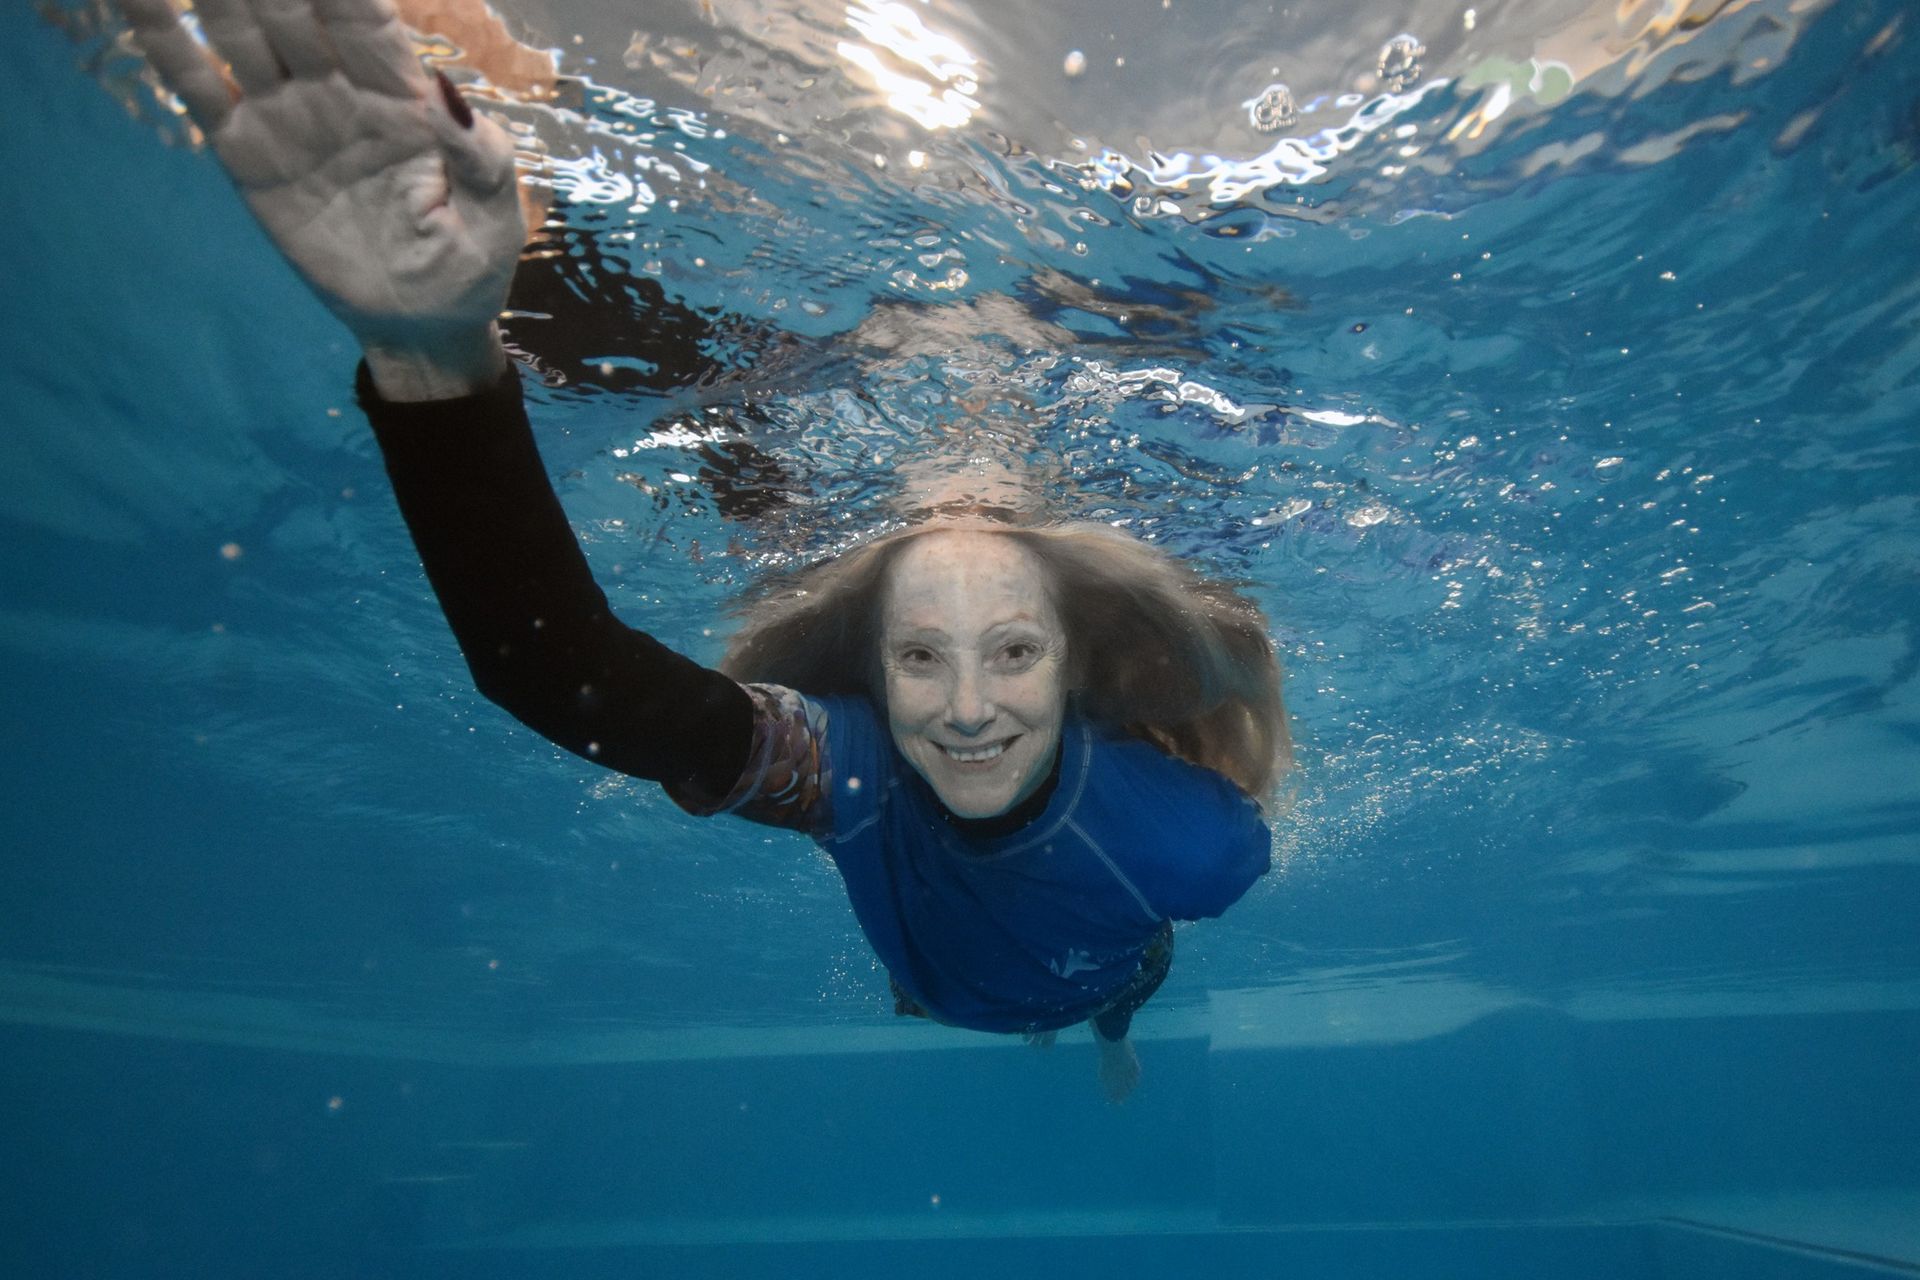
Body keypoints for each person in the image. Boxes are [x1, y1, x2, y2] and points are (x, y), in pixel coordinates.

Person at [119, 0, 1290, 1101]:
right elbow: (562, 669)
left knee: (1119, 991)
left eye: (1016, 650)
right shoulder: (850, 769)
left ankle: (1104, 1034)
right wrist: (429, 350)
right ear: (870, 676)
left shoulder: (1198, 847)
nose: (970, 708)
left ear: (1071, 667)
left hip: (1095, 965)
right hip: (934, 976)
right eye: (922, 657)